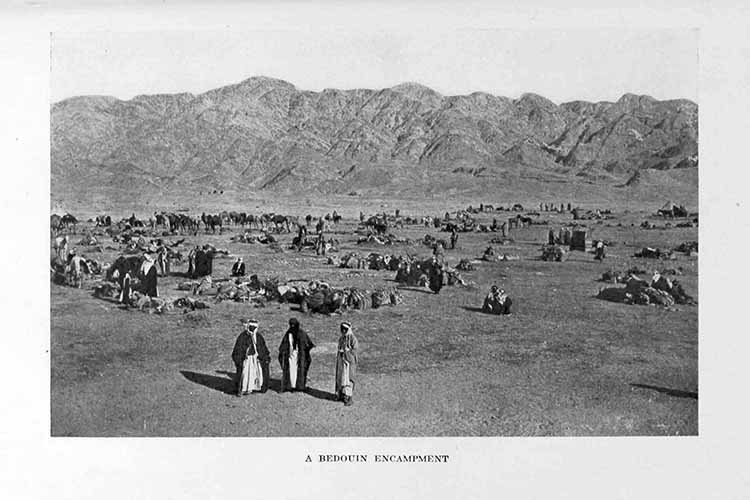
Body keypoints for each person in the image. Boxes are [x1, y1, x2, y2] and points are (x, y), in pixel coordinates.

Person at [232, 319, 270, 396]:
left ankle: (254, 388)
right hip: (247, 359)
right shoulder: (243, 336)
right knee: (245, 374)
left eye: (254, 327)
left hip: (255, 359)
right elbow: (238, 349)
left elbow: (262, 348)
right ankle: (244, 389)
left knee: (255, 374)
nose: (252, 329)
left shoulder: (258, 337)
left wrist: (264, 357)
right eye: (251, 327)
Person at [278, 318, 315, 392]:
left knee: (300, 371)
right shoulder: (288, 334)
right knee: (291, 371)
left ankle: (299, 386)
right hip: (290, 356)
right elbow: (284, 345)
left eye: (294, 325)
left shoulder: (302, 333)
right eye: (291, 325)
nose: (292, 326)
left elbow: (308, 344)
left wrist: (304, 352)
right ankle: (290, 386)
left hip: (300, 356)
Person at [335, 321, 359, 406]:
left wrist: (347, 352)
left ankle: (349, 397)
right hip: (342, 362)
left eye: (345, 329)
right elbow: (339, 348)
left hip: (349, 364)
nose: (343, 331)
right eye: (342, 329)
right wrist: (341, 352)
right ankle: (341, 395)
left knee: (348, 380)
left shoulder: (352, 338)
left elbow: (355, 350)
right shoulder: (341, 339)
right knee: (341, 379)